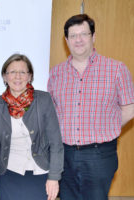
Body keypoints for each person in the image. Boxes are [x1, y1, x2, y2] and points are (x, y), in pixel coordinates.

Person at [48, 14, 134, 200]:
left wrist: (108, 128)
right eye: (73, 35)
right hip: (65, 155)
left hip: (100, 154)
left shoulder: (116, 69)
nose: (78, 40)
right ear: (66, 40)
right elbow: (54, 113)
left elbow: (129, 108)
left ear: (93, 37)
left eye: (84, 34)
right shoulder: (56, 73)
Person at [0, 54, 63, 200]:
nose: (17, 77)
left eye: (23, 72)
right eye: (12, 72)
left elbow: (55, 142)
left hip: (39, 172)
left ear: (30, 76)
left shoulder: (43, 100)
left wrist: (54, 177)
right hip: (9, 173)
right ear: (5, 77)